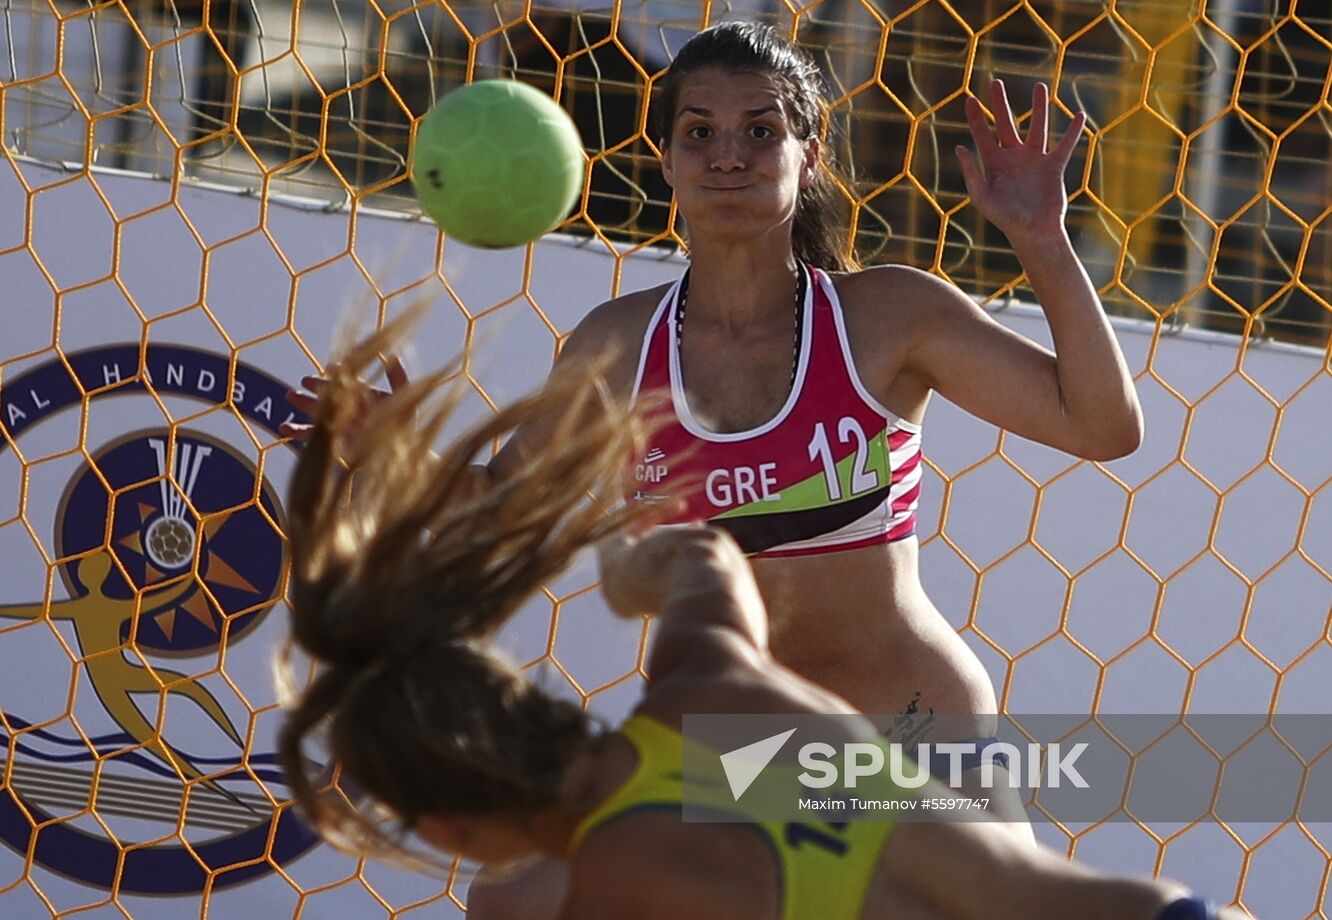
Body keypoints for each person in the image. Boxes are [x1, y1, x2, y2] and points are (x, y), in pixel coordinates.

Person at [287, 17, 1140, 843]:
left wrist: (1042, 239)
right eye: (699, 131)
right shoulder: (617, 345)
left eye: (760, 129)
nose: (728, 153)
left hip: (911, 730)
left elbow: (1103, 427)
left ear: (811, 159)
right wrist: (395, 454)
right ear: (665, 160)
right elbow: (501, 503)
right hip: (738, 755)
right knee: (517, 901)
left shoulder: (888, 316)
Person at [277, 326, 1235, 920]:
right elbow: (706, 558)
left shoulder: (624, 881)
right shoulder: (706, 685)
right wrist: (638, 573)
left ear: (447, 826)